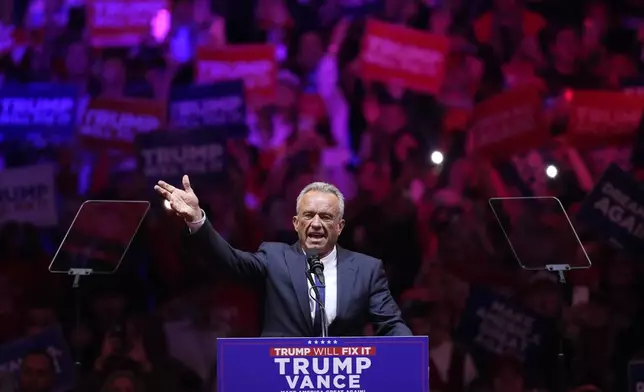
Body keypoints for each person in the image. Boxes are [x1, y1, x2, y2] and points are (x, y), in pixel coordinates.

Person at [155, 176, 412, 337]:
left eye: (326, 217)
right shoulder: (274, 257)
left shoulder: (367, 269)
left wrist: (409, 353)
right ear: (295, 223)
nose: (316, 224)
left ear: (340, 227)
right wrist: (198, 221)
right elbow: (230, 262)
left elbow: (391, 325)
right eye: (309, 216)